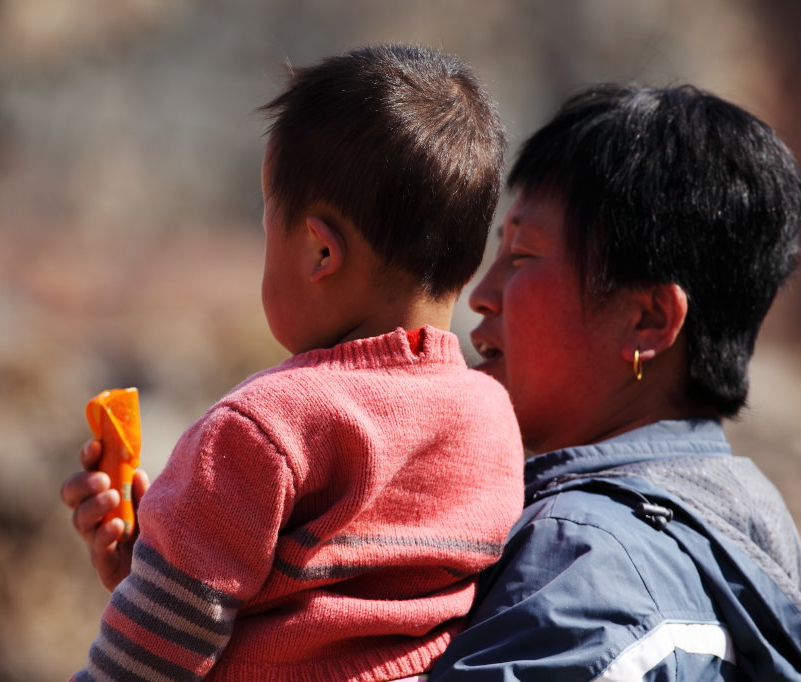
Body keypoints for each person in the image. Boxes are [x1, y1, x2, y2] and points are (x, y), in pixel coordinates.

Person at [61, 44, 526, 682]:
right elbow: (332, 589)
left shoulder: (264, 428)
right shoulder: (493, 421)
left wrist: (175, 570)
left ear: (318, 252)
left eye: (265, 229)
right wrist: (158, 563)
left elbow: (149, 662)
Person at [427, 84, 801, 680]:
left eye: (522, 255)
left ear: (647, 321)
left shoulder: (584, 564)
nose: (482, 295)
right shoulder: (744, 540)